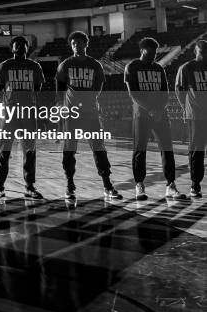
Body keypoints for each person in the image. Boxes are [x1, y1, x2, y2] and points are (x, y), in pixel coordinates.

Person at [56, 31, 122, 201]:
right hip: (72, 114)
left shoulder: (95, 65)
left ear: (86, 44)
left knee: (99, 148)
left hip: (91, 113)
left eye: (80, 42)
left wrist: (90, 99)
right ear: (71, 46)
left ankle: (107, 185)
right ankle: (69, 185)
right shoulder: (65, 64)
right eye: (74, 43)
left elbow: (99, 86)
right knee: (69, 149)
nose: (77, 45)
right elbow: (60, 89)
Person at [125, 37, 185, 200]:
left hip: (160, 114)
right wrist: (151, 109)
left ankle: (171, 185)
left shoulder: (159, 68)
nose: (153, 55)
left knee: (167, 149)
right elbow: (133, 93)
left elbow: (165, 92)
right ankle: (139, 185)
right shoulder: (132, 67)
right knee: (140, 150)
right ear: (142, 50)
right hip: (142, 115)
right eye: (150, 52)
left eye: (155, 52)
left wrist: (159, 110)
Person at [0, 35, 45, 200]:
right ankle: (0, 186)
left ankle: (29, 186)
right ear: (12, 48)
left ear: (27, 48)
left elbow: (38, 87)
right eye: (17, 44)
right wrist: (8, 103)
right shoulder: (4, 66)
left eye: (24, 44)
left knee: (29, 151)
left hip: (28, 114)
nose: (21, 47)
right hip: (9, 115)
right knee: (4, 151)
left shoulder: (35, 66)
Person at [175, 39, 207, 198]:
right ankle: (195, 184)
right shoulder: (186, 68)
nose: (205, 55)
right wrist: (186, 108)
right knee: (197, 150)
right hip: (196, 116)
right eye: (202, 52)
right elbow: (179, 91)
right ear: (196, 52)